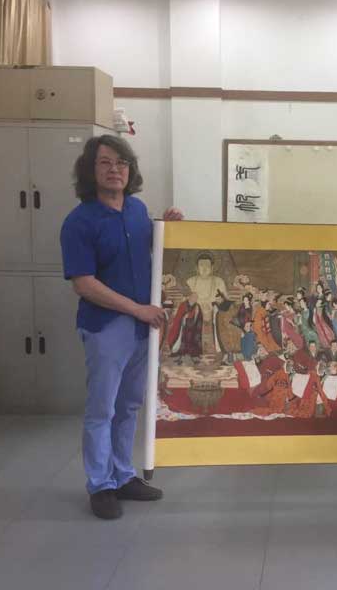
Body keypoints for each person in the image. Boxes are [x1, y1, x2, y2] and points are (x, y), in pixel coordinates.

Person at [60, 135, 183, 520]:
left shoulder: (137, 210)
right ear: (90, 170)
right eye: (105, 163)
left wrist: (168, 230)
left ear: (130, 170)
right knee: (102, 408)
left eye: (122, 163)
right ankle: (100, 485)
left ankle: (123, 474)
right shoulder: (79, 222)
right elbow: (84, 283)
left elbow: (151, 254)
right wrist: (137, 309)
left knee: (129, 405)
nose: (115, 170)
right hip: (107, 326)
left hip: (142, 327)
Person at [186, 253, 227, 323]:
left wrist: (221, 301)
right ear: (197, 268)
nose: (204, 269)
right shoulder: (190, 282)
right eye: (201, 265)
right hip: (194, 316)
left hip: (214, 315)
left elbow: (225, 302)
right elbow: (186, 301)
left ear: (212, 268)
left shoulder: (219, 282)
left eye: (207, 266)